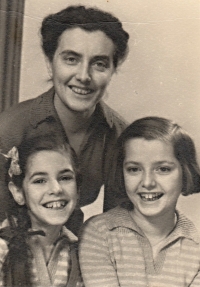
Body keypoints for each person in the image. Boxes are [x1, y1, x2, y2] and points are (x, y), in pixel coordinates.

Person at [0, 5, 129, 229]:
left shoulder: (120, 137)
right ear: (50, 64)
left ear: (112, 71)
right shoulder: (11, 128)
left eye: (99, 64)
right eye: (71, 59)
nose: (83, 76)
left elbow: (118, 226)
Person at [79, 116, 200, 287]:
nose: (147, 182)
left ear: (185, 172)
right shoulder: (100, 233)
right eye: (134, 169)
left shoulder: (196, 246)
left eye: (163, 169)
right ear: (121, 173)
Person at [0, 134, 83, 286]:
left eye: (65, 178)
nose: (56, 189)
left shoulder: (83, 252)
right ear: (18, 193)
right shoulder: (3, 248)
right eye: (40, 181)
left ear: (78, 189)